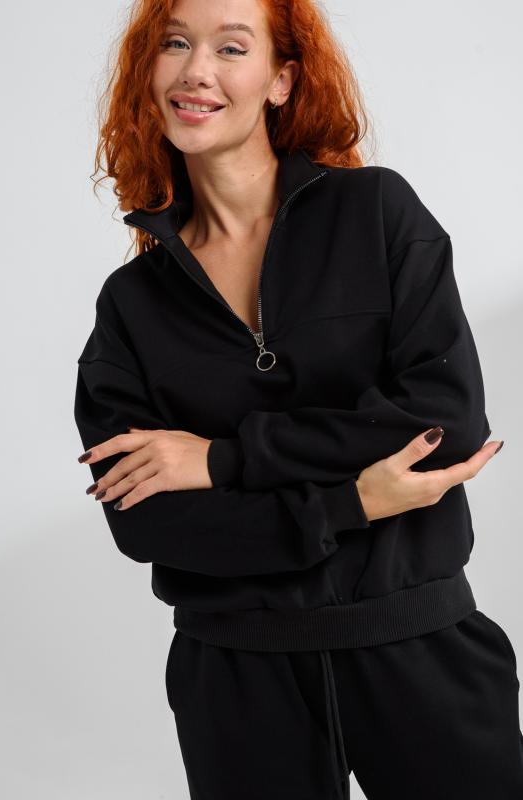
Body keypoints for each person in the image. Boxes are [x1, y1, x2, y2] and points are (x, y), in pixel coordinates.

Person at [73, 0, 523, 797]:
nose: (196, 70)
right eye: (174, 43)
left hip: (419, 647)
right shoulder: (131, 305)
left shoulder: (376, 213)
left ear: (281, 80)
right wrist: (349, 503)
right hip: (235, 680)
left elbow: (443, 424)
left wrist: (222, 460)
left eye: (230, 48)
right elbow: (144, 519)